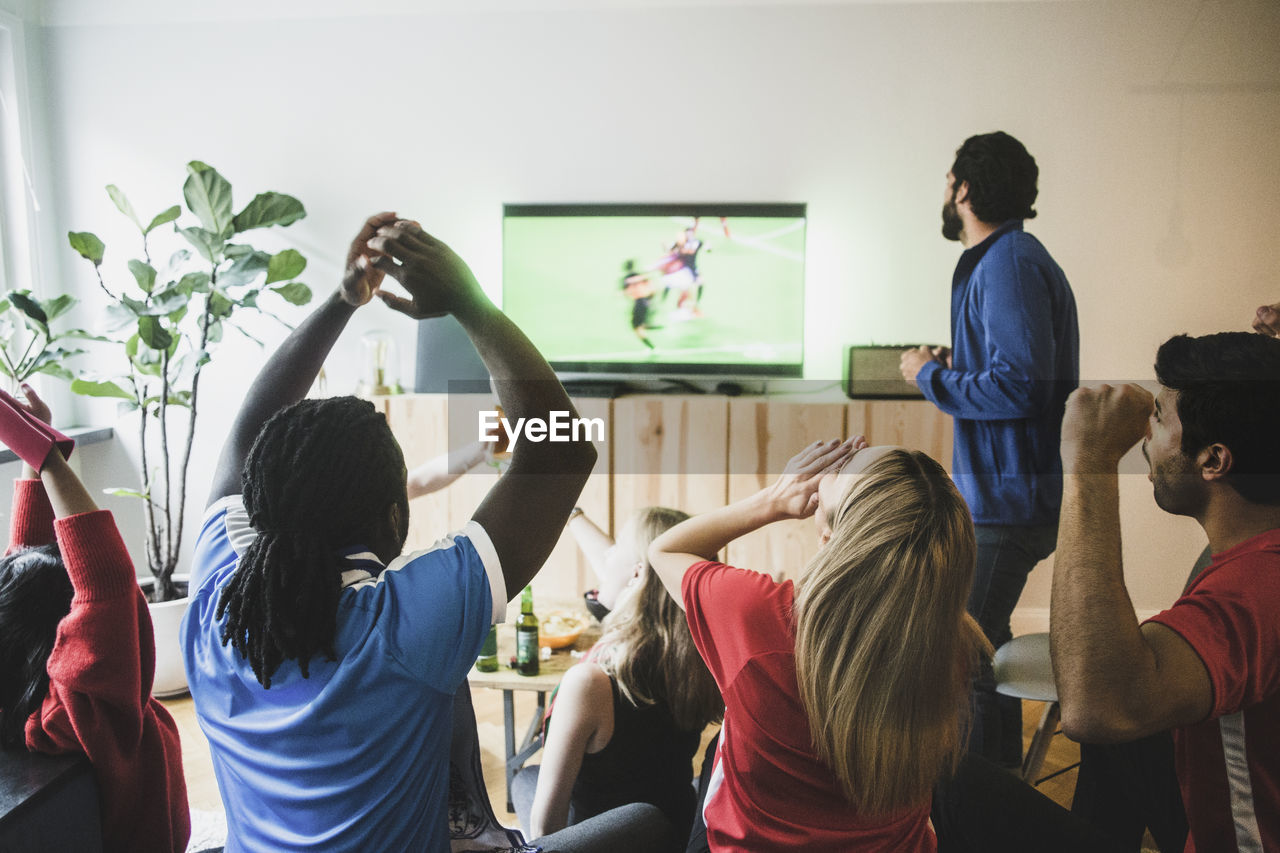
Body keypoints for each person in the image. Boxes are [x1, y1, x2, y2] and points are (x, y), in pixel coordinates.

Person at [181, 213, 609, 852]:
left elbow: (246, 431)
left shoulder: (216, 601)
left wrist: (341, 302)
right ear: (393, 518)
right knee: (647, 826)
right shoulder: (407, 625)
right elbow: (564, 449)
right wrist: (470, 303)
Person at [648, 435, 991, 850]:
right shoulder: (954, 646)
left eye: (841, 471)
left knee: (715, 756)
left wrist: (774, 499)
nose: (828, 470)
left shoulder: (754, 614)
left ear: (829, 538)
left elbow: (665, 549)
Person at [1050, 330, 1280, 852]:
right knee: (1128, 737)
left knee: (951, 788)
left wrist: (1088, 461)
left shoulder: (1256, 588)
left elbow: (1094, 707)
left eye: (1157, 418)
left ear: (1214, 461)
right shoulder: (1254, 557)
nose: (1144, 440)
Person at [899, 130, 1079, 767]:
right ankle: (991, 802)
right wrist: (957, 365)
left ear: (965, 188)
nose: (946, 192)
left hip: (1009, 501)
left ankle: (983, 808)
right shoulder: (1001, 260)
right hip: (1001, 497)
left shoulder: (1009, 261)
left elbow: (1022, 386)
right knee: (979, 647)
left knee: (960, 652)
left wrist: (929, 374)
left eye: (950, 180)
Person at [0, 384, 190, 853]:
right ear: (71, 634)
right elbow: (104, 586)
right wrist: (45, 459)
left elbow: (22, 569)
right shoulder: (88, 709)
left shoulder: (35, 708)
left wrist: (32, 446)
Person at [513, 507, 723, 841]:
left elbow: (545, 832)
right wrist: (573, 512)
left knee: (522, 781)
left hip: (603, 845)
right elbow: (644, 580)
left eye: (617, 550)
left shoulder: (590, 684)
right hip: (670, 836)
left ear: (637, 576)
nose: (606, 558)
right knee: (528, 779)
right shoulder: (701, 661)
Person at [620, 259, 658, 350]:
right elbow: (652, 289)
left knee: (636, 327)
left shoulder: (626, 279)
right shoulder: (642, 276)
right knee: (640, 322)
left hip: (639, 302)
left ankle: (652, 348)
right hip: (646, 301)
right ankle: (647, 323)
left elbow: (625, 293)